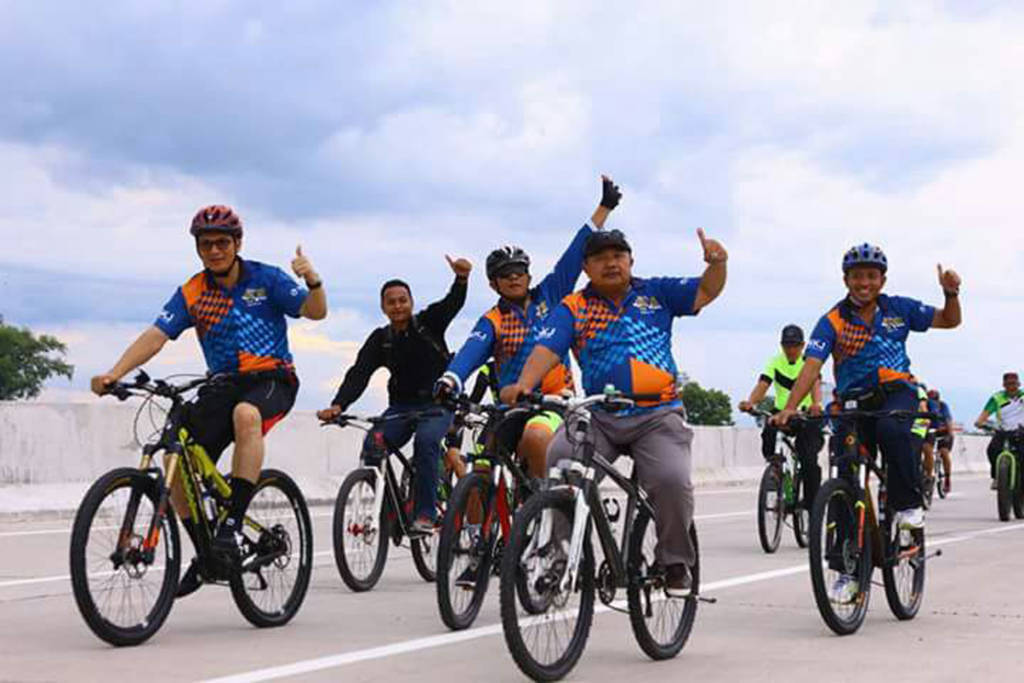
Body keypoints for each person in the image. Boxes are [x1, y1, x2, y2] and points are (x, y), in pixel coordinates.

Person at [90, 205, 327, 596]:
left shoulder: (266, 279)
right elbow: (156, 335)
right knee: (174, 456)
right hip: (222, 383)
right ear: (198, 248)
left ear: (237, 244)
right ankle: (206, 553)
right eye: (206, 245)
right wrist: (115, 373)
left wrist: (313, 281)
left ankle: (232, 525)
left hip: (273, 379)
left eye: (221, 243)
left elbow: (315, 312)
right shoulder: (194, 290)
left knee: (246, 415)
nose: (214, 250)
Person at [502, 226, 729, 597]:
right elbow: (547, 347)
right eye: (599, 258)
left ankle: (673, 561)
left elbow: (706, 290)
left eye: (617, 255)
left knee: (671, 480)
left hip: (658, 414)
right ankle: (560, 551)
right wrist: (525, 383)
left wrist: (718, 263)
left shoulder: (656, 293)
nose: (611, 263)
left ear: (630, 261)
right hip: (598, 415)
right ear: (587, 268)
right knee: (561, 460)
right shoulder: (574, 306)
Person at [773, 243, 961, 603]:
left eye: (871, 276)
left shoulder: (899, 309)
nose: (864, 283)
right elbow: (811, 364)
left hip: (897, 393)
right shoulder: (833, 319)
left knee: (894, 431)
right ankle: (846, 572)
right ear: (846, 280)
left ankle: (908, 510)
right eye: (857, 276)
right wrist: (790, 407)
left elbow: (950, 320)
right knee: (844, 480)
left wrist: (950, 293)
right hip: (852, 402)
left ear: (882, 279)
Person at [435, 175, 622, 480]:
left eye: (519, 271)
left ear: (529, 275)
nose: (514, 278)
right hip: (511, 408)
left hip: (556, 404)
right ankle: (472, 529)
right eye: (505, 274)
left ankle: (544, 506)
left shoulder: (551, 294)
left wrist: (604, 207)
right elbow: (470, 353)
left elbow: (574, 255)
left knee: (535, 438)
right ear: (493, 283)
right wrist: (450, 379)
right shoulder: (492, 319)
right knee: (478, 470)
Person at [317, 255, 472, 534]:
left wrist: (461, 279)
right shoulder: (381, 339)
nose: (398, 306)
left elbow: (452, 304)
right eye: (391, 302)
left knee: (426, 442)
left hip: (437, 406)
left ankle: (426, 514)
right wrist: (338, 404)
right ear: (383, 307)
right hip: (401, 407)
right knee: (372, 445)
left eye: (403, 300)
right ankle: (389, 510)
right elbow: (359, 374)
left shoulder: (429, 323)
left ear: (411, 303)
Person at [738, 324, 824, 509]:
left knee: (808, 458)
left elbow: (815, 385)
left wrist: (817, 404)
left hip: (806, 415)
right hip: (781, 414)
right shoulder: (775, 362)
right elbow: (763, 384)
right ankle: (776, 469)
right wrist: (751, 402)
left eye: (794, 345)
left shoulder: (809, 363)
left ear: (802, 346)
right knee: (769, 431)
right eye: (786, 345)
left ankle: (811, 503)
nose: (790, 350)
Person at [973, 372, 1024, 490]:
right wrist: (980, 422)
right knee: (992, 449)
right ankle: (996, 477)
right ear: (1004, 385)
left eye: (1014, 384)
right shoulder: (997, 398)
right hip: (1003, 431)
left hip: (1021, 431)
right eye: (1008, 384)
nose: (1011, 387)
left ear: (1018, 384)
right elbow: (984, 414)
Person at [927, 388, 954, 494]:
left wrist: (949, 433)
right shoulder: (924, 406)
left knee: (944, 452)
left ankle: (947, 478)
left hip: (943, 431)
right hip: (929, 431)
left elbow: (948, 420)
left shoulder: (943, 406)